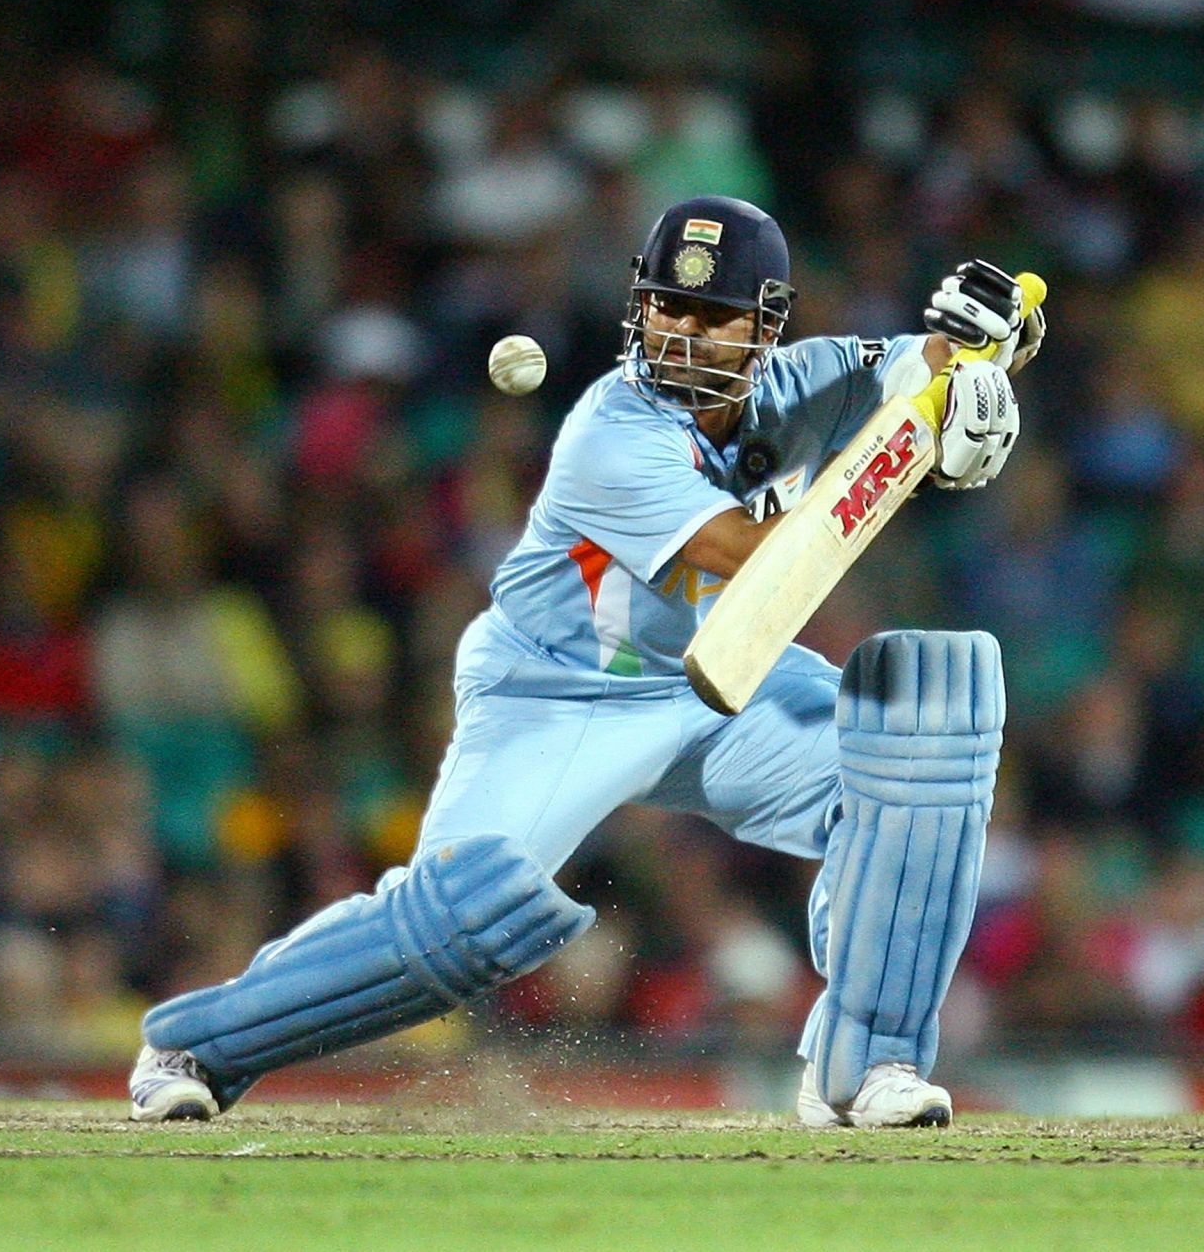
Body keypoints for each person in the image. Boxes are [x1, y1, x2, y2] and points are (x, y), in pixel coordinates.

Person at [127, 195, 1043, 1127]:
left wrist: (987, 348)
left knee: (928, 719)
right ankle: (195, 1044)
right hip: (558, 694)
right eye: (667, 308)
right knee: (464, 920)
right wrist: (920, 451)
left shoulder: (814, 379)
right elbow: (774, 556)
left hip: (724, 680)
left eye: (715, 316)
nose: (683, 334)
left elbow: (927, 368)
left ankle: (866, 1065)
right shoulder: (611, 433)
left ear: (767, 327)